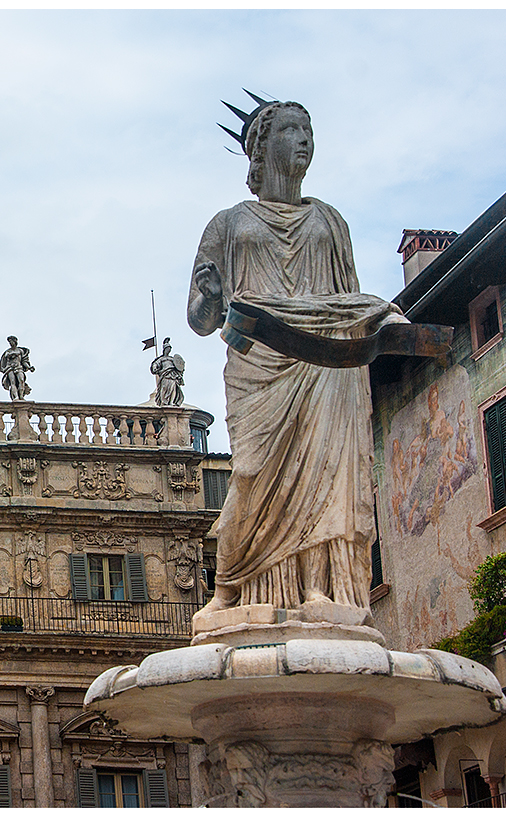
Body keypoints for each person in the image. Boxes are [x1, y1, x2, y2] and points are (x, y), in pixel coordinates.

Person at [188, 100, 407, 618]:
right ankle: (233, 587)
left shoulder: (330, 220)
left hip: (325, 362)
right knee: (254, 474)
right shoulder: (227, 224)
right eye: (291, 129)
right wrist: (210, 294)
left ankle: (320, 592)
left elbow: (346, 298)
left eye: (308, 129)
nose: (304, 138)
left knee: (327, 473)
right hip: (259, 363)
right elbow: (199, 320)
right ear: (261, 147)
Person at [151, 337, 184, 406]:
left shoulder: (172, 359)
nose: (168, 350)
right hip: (164, 374)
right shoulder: (161, 359)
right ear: (164, 350)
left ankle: (171, 402)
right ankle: (164, 401)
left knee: (173, 388)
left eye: (169, 349)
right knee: (164, 388)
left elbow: (179, 366)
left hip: (172, 374)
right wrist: (155, 368)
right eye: (167, 349)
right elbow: (155, 364)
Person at [0, 336, 34, 400]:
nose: (10, 343)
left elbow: (24, 361)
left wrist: (29, 367)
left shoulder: (20, 351)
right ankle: (16, 397)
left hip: (18, 367)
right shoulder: (7, 352)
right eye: (9, 342)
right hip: (10, 368)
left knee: (21, 381)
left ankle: (21, 396)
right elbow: (3, 362)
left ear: (15, 341)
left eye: (11, 341)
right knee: (13, 382)